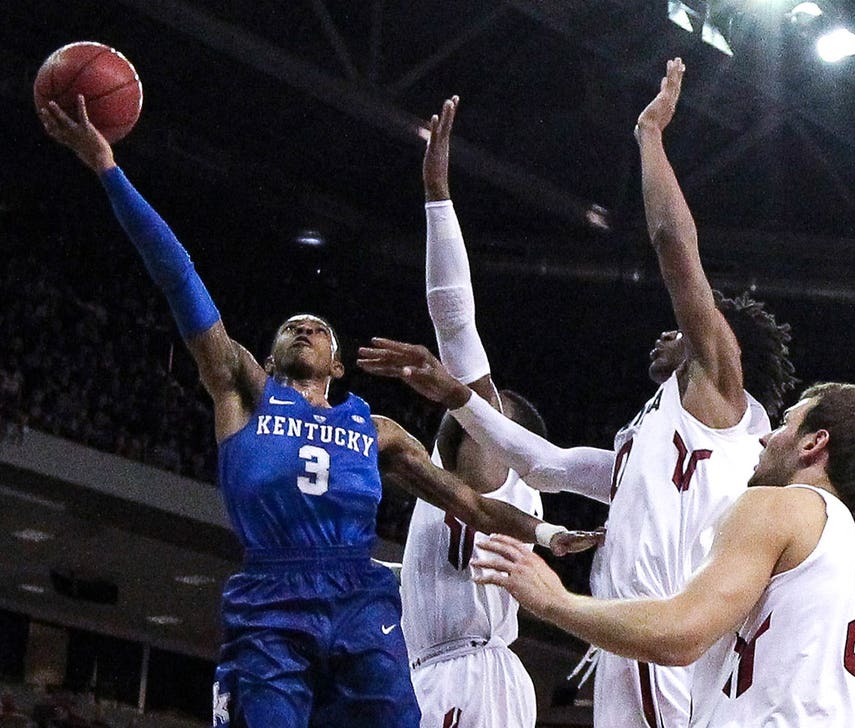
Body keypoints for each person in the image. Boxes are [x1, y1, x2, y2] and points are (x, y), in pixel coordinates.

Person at [38, 96, 597, 728]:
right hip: (274, 595)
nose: (304, 328)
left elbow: (468, 502)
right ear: (269, 359)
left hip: (359, 596)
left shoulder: (375, 430)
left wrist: (548, 535)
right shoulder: (241, 392)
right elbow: (178, 277)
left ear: (338, 365)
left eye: (318, 328)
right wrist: (110, 169)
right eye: (291, 327)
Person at [359, 57, 797, 728]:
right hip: (625, 635)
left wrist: (650, 136)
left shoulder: (722, 397)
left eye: (686, 325)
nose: (670, 327)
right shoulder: (646, 444)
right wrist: (456, 396)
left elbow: (675, 245)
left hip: (664, 628)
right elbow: (544, 463)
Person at [472, 384, 855, 727]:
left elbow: (682, 634)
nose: (766, 435)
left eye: (784, 424)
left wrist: (555, 600)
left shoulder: (780, 505)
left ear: (813, 444)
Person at [397, 95, 546, 728]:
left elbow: (455, 319)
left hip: (468, 677)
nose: (480, 411)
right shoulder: (456, 478)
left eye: (494, 412)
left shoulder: (497, 469)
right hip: (450, 671)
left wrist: (437, 194)